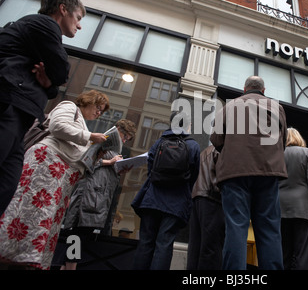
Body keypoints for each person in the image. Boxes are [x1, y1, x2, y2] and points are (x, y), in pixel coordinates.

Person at [0, 90, 109, 270]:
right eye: (98, 108)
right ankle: (11, 254)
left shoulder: (82, 125)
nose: (98, 113)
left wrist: (96, 153)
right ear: (87, 101)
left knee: (42, 217)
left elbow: (77, 154)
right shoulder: (70, 107)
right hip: (47, 167)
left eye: (101, 111)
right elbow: (57, 126)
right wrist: (90, 137)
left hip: (60, 177)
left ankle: (26, 258)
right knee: (30, 211)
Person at [0, 0, 85, 216]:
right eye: (77, 18)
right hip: (9, 105)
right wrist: (52, 82)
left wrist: (48, 85)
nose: (79, 25)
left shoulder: (39, 34)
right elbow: (60, 71)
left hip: (20, 115)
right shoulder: (44, 25)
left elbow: (52, 88)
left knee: (7, 184)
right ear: (62, 9)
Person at [210, 75, 288, 270]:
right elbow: (283, 140)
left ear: (245, 89)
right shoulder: (276, 107)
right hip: (268, 171)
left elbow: (216, 139)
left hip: (235, 172)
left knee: (236, 228)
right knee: (269, 229)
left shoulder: (230, 106)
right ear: (263, 90)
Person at [56, 119, 136, 270]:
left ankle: (65, 266)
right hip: (89, 194)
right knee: (78, 233)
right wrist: (110, 162)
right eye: (124, 135)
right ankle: (68, 267)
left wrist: (119, 168)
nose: (124, 140)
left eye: (127, 139)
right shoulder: (102, 140)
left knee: (82, 234)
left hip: (98, 197)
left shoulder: (114, 149)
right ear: (117, 129)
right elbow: (85, 162)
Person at [132, 111, 200, 270]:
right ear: (188, 125)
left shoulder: (159, 142)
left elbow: (150, 168)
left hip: (152, 199)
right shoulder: (193, 145)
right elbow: (194, 175)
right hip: (175, 203)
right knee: (164, 244)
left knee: (145, 243)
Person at [278, 128, 308, 270]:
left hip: (280, 208)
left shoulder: (277, 154)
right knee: (303, 252)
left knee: (283, 251)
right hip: (303, 209)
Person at [187, 144, 225, 270]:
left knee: (195, 247)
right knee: (211, 247)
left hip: (198, 197)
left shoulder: (205, 151)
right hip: (212, 198)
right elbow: (221, 178)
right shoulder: (221, 149)